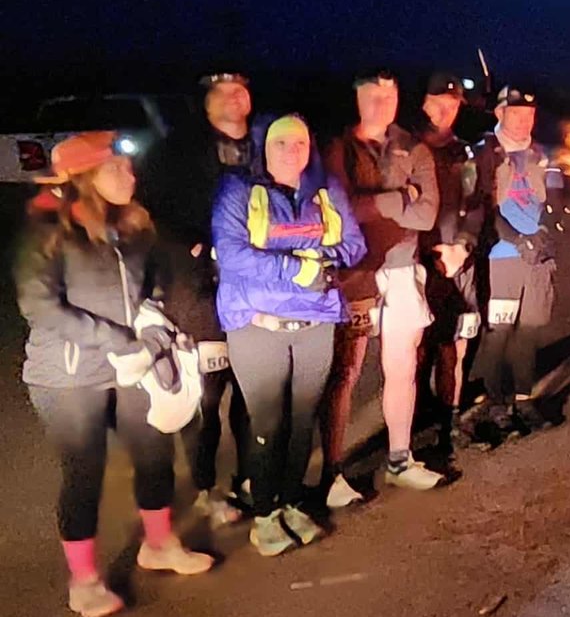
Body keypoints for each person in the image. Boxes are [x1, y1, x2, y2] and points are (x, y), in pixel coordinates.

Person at [18, 132, 218, 617]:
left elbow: (147, 289)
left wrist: (154, 321)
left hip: (133, 366)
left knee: (154, 453)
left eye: (129, 168)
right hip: (67, 377)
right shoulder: (48, 233)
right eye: (117, 169)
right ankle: (84, 581)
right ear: (87, 178)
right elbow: (40, 306)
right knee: (84, 475)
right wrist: (122, 341)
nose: (131, 177)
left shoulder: (131, 227)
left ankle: (159, 544)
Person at [214, 115, 367, 556]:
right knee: (268, 423)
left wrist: (313, 260)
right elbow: (233, 253)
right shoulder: (238, 190)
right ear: (263, 146)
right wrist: (300, 268)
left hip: (316, 323)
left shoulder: (326, 190)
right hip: (259, 326)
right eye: (281, 143)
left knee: (302, 422)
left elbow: (354, 245)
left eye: (300, 143)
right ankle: (263, 515)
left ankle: (291, 500)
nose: (291, 151)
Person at [318, 70, 445, 507]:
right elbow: (342, 212)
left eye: (388, 96)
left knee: (402, 366)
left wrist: (375, 202)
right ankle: (331, 473)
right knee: (345, 373)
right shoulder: (339, 148)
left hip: (403, 267)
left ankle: (399, 458)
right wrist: (397, 198)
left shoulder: (414, 148)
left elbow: (427, 217)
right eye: (371, 96)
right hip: (356, 273)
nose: (380, 104)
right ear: (357, 98)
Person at [140, 70, 260, 525]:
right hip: (198, 293)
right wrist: (189, 247)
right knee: (207, 400)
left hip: (253, 289)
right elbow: (149, 213)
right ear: (205, 102)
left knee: (253, 395)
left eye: (239, 91)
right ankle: (206, 489)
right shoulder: (174, 151)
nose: (231, 99)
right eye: (220, 93)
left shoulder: (265, 146)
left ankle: (252, 477)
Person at [464, 85, 563, 440]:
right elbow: (480, 205)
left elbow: (557, 199)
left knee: (530, 330)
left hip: (537, 257)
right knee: (499, 332)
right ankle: (496, 403)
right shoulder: (483, 153)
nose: (524, 121)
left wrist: (543, 233)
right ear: (500, 113)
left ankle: (523, 399)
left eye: (530, 115)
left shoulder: (543, 153)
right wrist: (515, 239)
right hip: (500, 257)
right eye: (516, 113)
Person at [417, 72, 482, 442]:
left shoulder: (464, 153)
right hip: (422, 261)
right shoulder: (410, 149)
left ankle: (450, 418)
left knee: (456, 342)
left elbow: (474, 206)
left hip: (458, 259)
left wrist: (463, 245)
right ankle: (414, 418)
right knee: (419, 348)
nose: (446, 110)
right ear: (425, 103)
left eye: (453, 104)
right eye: (439, 102)